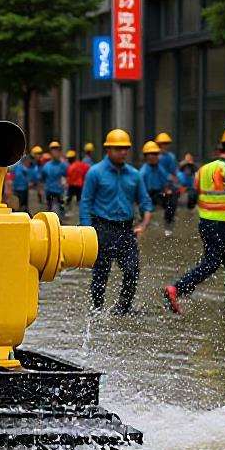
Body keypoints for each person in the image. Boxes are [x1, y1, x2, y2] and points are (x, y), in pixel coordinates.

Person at [164, 125, 225, 316]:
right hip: (221, 225)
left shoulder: (204, 169)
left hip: (206, 223)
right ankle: (177, 288)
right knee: (214, 263)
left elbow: (194, 195)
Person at [80, 129, 154, 316]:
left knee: (132, 269)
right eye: (118, 148)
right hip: (101, 229)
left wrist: (144, 224)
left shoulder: (135, 175)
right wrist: (86, 232)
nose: (123, 152)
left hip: (126, 230)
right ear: (108, 149)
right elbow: (85, 202)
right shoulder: (95, 172)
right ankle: (96, 310)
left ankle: (123, 308)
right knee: (100, 274)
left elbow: (145, 202)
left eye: (125, 149)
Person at [138, 142, 172, 231]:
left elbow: (165, 182)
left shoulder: (160, 168)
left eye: (156, 154)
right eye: (153, 154)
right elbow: (141, 192)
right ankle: (143, 222)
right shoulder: (143, 172)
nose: (156, 156)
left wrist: (167, 190)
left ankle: (168, 223)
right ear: (147, 156)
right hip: (146, 195)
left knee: (171, 198)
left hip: (158, 193)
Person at [153, 131, 180, 235]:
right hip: (156, 186)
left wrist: (171, 182)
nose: (163, 147)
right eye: (161, 144)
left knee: (172, 200)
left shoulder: (170, 157)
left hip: (167, 184)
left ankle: (169, 222)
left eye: (165, 144)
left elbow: (173, 173)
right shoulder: (155, 157)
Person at [42, 142, 68, 217]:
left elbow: (67, 177)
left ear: (59, 152)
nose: (55, 152)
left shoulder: (63, 165)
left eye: (57, 150)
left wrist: (65, 185)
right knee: (50, 213)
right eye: (53, 150)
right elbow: (42, 179)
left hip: (60, 192)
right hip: (49, 191)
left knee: (61, 212)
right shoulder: (47, 166)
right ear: (50, 152)